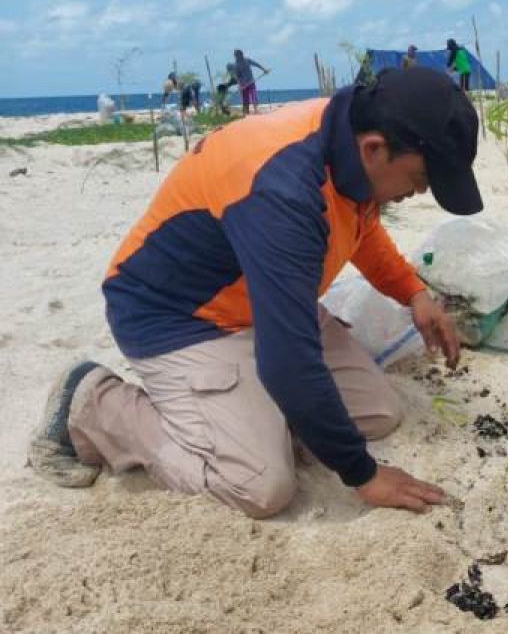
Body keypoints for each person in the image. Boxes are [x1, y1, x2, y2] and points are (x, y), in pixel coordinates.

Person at [28, 67, 484, 519]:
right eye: (420, 179)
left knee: (379, 413)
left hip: (261, 297)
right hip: (180, 318)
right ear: (375, 149)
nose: (418, 192)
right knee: (259, 486)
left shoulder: (348, 135)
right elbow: (288, 361)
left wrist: (414, 294)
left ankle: (250, 414)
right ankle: (92, 402)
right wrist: (364, 476)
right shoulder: (281, 190)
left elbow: (359, 227)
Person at [233, 48, 268, 115]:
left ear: (241, 54)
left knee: (254, 95)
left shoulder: (247, 60)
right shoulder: (236, 65)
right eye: (236, 55)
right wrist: (240, 85)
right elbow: (237, 76)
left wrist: (264, 69)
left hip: (251, 81)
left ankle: (255, 110)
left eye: (238, 55)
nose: (237, 57)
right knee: (245, 99)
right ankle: (246, 113)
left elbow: (256, 64)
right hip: (243, 84)